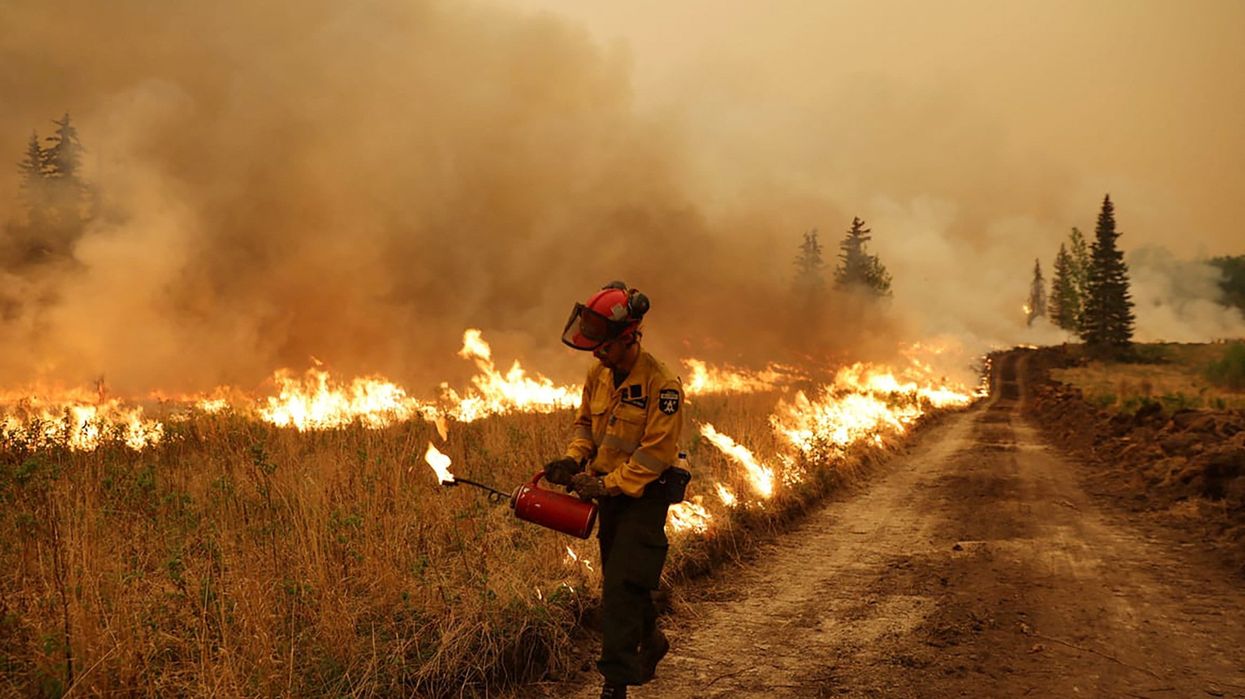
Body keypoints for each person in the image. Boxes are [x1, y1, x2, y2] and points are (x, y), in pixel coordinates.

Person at [545, 281, 684, 699]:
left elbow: (654, 456)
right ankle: (651, 640)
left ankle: (615, 682)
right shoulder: (599, 373)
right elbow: (586, 425)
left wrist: (604, 485)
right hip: (608, 496)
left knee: (621, 585)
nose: (595, 352)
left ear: (629, 338)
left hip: (646, 496)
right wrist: (573, 460)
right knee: (623, 580)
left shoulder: (664, 387)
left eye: (603, 346)